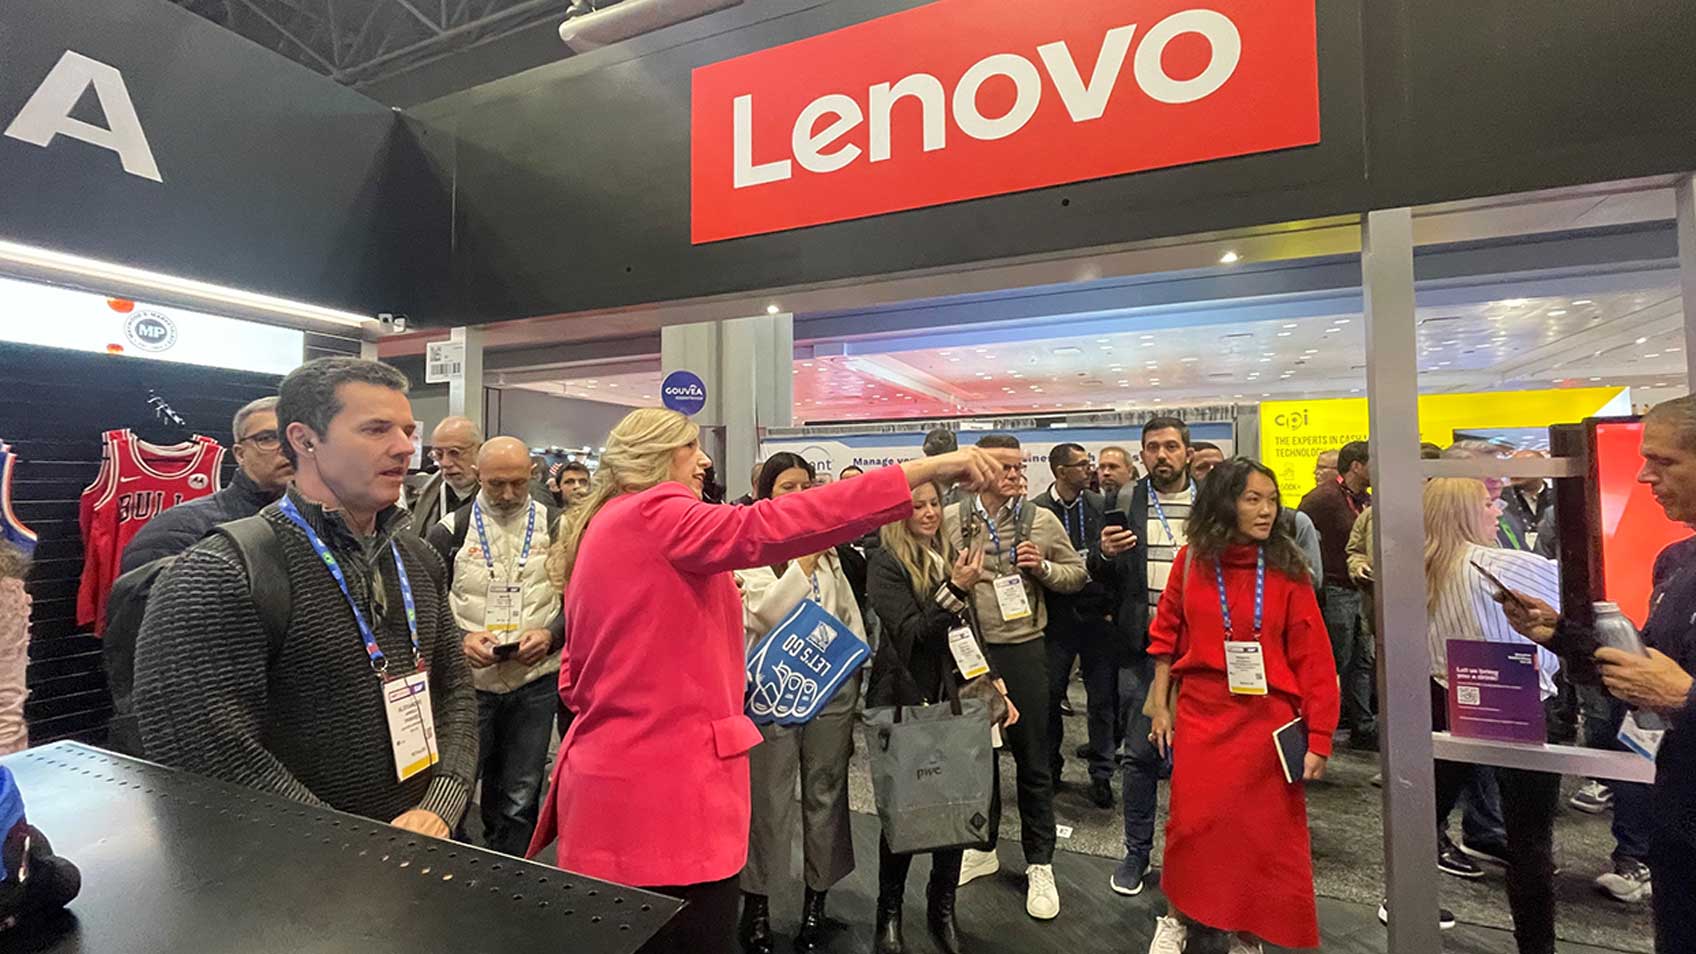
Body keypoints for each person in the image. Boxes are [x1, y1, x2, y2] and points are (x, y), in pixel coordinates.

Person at [524, 408, 998, 954]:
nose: (703, 460)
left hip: (623, 792)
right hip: (666, 801)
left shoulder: (609, 521)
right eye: (690, 447)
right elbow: (776, 523)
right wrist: (930, 468)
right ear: (655, 460)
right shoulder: (656, 511)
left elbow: (577, 671)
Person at [134, 357, 477, 837]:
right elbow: (207, 749)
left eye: (406, 430)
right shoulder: (219, 571)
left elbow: (454, 690)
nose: (405, 448)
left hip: (425, 847)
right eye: (377, 429)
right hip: (292, 876)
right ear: (303, 439)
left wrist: (441, 805)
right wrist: (352, 845)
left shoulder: (417, 558)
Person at [1500, 395, 1696, 954]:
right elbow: (1643, 668)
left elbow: (1675, 688)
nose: (1643, 476)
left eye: (1663, 461)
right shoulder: (1677, 562)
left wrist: (1687, 696)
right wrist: (1559, 634)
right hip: (1678, 811)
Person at [1144, 458, 1339, 954]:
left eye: (1272, 500)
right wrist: (1160, 706)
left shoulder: (1287, 568)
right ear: (1225, 502)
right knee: (1192, 828)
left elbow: (1313, 657)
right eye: (1253, 498)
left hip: (1266, 724)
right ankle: (1180, 916)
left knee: (1262, 838)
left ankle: (1248, 931)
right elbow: (1165, 635)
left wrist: (1319, 738)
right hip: (1202, 716)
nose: (1266, 510)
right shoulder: (1191, 561)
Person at [865, 479, 1019, 954]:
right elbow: (912, 635)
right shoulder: (884, 563)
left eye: (934, 504)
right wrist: (954, 587)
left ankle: (942, 907)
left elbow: (964, 630)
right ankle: (888, 914)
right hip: (906, 700)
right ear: (898, 513)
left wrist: (992, 681)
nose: (929, 513)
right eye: (918, 505)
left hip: (957, 699)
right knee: (905, 811)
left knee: (956, 806)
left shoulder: (946, 554)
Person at [1411, 478, 1563, 953]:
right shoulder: (1503, 564)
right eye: (1487, 503)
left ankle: (1404, 903)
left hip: (1447, 698)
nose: (1498, 511)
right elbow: (1578, 599)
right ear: (1461, 511)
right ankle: (1536, 944)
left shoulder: (1419, 570)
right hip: (1522, 704)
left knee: (1423, 817)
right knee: (1531, 842)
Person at [943, 434, 1086, 920]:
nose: (1013, 474)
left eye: (1018, 466)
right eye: (1003, 466)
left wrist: (1042, 567)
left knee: (1033, 759)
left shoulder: (1040, 521)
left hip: (1025, 648)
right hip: (969, 652)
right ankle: (981, 847)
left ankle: (1039, 862)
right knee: (975, 756)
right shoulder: (949, 521)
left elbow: (1076, 575)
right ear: (978, 470)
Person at [735, 453, 873, 954]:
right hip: (772, 690)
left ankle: (819, 897)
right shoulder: (747, 543)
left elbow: (846, 613)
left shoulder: (831, 547)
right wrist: (804, 564)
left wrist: (855, 663)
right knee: (767, 799)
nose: (798, 493)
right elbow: (764, 612)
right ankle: (757, 902)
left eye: (805, 484)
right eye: (786, 486)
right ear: (765, 493)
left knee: (826, 792)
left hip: (832, 689)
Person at [424, 437, 564, 856]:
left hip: (535, 679)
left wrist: (552, 634)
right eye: (496, 484)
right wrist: (461, 639)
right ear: (478, 477)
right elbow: (426, 604)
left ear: (532, 476)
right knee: (456, 789)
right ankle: (460, 872)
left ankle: (513, 873)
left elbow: (582, 600)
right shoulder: (449, 531)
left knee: (521, 796)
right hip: (470, 683)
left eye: (518, 484)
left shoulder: (558, 527)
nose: (507, 494)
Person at [1092, 417, 1190, 897]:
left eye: (1171, 446)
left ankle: (1189, 858)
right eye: (1153, 447)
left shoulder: (1213, 504)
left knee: (1197, 761)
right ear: (1143, 454)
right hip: (1142, 650)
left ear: (1186, 452)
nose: (1162, 455)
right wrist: (1105, 554)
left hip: (1198, 653)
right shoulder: (1125, 500)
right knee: (1140, 757)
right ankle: (1135, 852)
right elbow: (1098, 571)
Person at [119, 396, 294, 572]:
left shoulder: (315, 524)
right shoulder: (177, 531)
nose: (288, 449)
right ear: (240, 454)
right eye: (267, 438)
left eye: (299, 439)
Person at [1034, 443, 1116, 808]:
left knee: (1102, 700)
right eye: (1082, 465)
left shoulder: (1101, 505)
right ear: (1060, 471)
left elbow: (1114, 560)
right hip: (1056, 616)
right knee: (1050, 696)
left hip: (1097, 614)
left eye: (1090, 464)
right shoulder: (1036, 511)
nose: (1091, 470)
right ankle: (1051, 769)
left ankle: (1101, 774)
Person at [1299, 439, 1376, 749]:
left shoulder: (1367, 500)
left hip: (1361, 591)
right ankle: (1316, 730)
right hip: (1334, 591)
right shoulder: (1322, 499)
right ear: (1357, 465)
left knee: (1362, 662)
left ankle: (1363, 726)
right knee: (1333, 661)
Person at [411, 416, 483, 535]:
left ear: (479, 451)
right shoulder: (421, 498)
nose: (445, 463)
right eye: (438, 454)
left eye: (455, 453)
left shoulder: (500, 493)